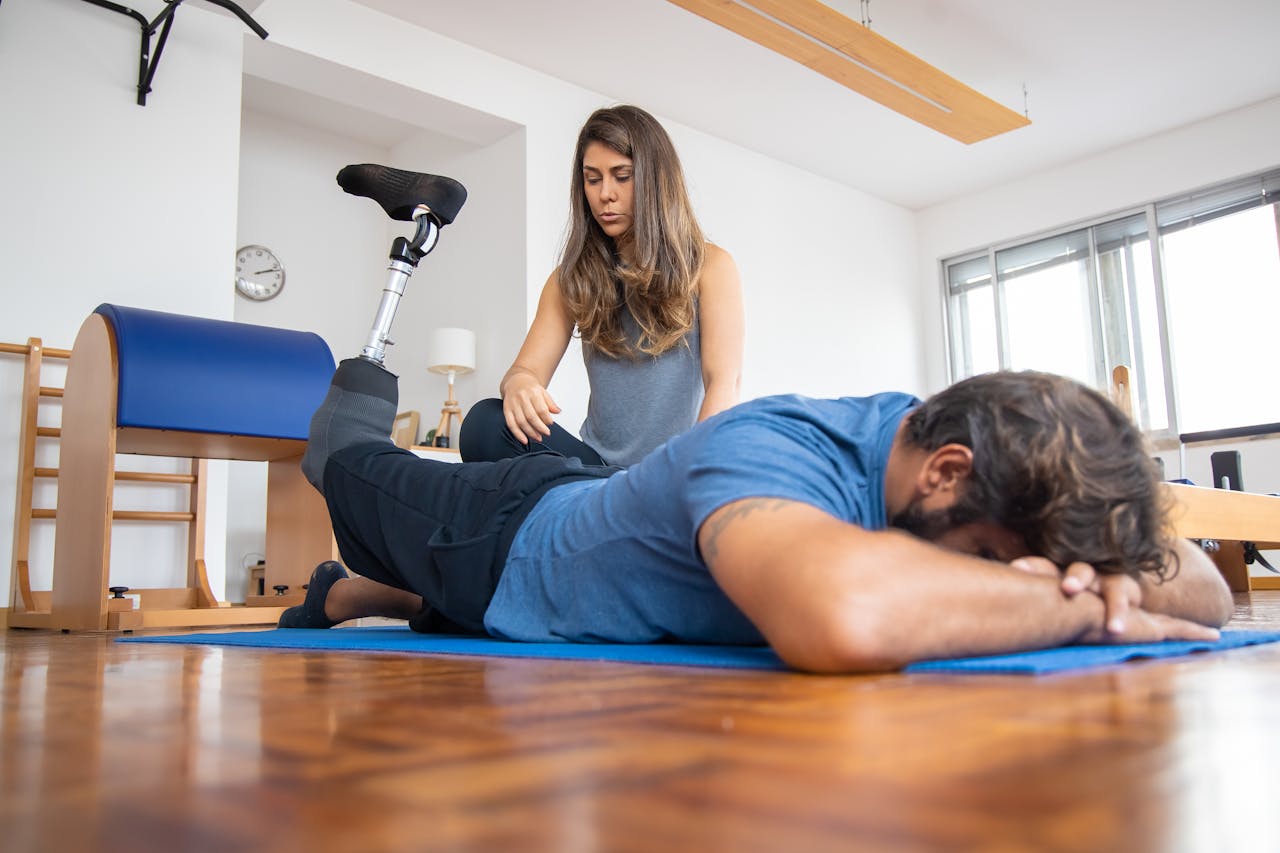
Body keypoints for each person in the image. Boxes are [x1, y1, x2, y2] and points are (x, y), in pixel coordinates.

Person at [285, 355, 1233, 674]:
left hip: (608, 524)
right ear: (947, 474)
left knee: (473, 588)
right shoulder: (773, 448)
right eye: (994, 561)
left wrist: (1108, 570)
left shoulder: (974, 457)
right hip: (501, 538)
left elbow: (1203, 590)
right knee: (343, 462)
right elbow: (843, 617)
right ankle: (359, 400)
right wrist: (1082, 607)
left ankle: (343, 595)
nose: (1006, 580)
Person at [458, 104, 744, 468]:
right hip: (596, 471)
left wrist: (693, 473)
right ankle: (601, 501)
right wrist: (519, 385)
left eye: (621, 176)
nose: (605, 194)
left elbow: (724, 384)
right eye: (593, 179)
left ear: (654, 180)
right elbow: (525, 371)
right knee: (486, 424)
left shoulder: (711, 266)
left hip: (669, 470)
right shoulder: (569, 279)